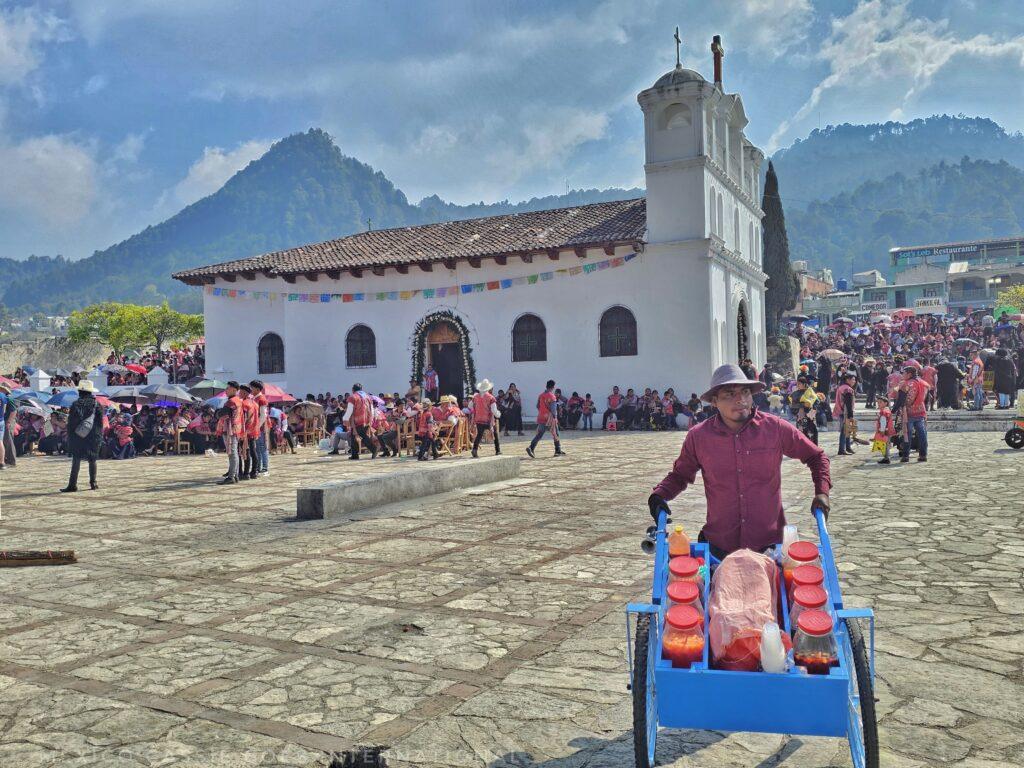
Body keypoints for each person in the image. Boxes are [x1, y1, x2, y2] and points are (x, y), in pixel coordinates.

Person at [648, 364, 831, 560]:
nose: (740, 400)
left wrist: (822, 492)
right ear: (714, 401)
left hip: (768, 546)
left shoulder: (775, 429)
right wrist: (659, 495)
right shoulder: (699, 437)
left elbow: (816, 456)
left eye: (745, 392)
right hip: (718, 548)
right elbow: (680, 475)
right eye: (729, 394)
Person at [61, 380, 104, 492]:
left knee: (76, 459)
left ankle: (72, 485)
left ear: (80, 391)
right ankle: (93, 483)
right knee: (92, 459)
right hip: (93, 436)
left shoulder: (76, 404)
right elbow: (100, 423)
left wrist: (71, 435)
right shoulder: (97, 404)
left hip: (78, 436)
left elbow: (72, 423)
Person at [895, 366, 929, 463]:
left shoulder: (908, 384)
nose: (902, 375)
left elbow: (906, 399)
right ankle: (923, 455)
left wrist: (897, 409)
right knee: (922, 434)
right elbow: (927, 397)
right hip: (921, 410)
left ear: (909, 374)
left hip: (909, 413)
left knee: (907, 434)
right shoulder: (923, 382)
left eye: (904, 373)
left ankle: (906, 456)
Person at [527, 379, 565, 458]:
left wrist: (543, 411)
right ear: (553, 387)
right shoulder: (552, 396)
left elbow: (537, 406)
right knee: (556, 433)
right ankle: (557, 450)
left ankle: (531, 447)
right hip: (550, 417)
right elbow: (554, 410)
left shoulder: (541, 395)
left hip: (541, 416)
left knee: (539, 434)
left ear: (546, 386)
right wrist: (555, 417)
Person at [218, 381, 244, 484]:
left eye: (228, 388)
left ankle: (231, 476)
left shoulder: (230, 402)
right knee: (234, 453)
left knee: (232, 453)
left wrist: (218, 413)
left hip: (230, 430)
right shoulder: (239, 401)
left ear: (234, 389)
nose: (226, 390)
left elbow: (222, 414)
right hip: (237, 429)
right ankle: (235, 475)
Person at [344, 383, 376, 459]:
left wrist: (345, 419)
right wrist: (372, 418)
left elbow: (349, 410)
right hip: (367, 419)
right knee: (356, 435)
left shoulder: (353, 397)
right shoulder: (368, 396)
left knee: (360, 435)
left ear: (353, 389)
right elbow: (372, 408)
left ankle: (373, 449)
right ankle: (355, 455)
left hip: (358, 419)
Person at [471, 379, 501, 458]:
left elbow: (470, 406)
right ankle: (498, 450)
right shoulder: (491, 398)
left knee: (479, 434)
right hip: (488, 420)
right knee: (495, 433)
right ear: (488, 388)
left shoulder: (475, 397)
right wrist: (498, 415)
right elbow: (494, 410)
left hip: (478, 419)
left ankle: (474, 449)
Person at [833, 372, 857, 456]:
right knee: (844, 431)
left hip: (840, 411)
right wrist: (850, 415)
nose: (854, 381)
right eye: (853, 379)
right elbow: (848, 404)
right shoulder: (848, 389)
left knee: (848, 431)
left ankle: (848, 447)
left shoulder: (841, 387)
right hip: (845, 413)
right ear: (847, 379)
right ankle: (841, 449)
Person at [251, 380, 271, 476]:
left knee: (262, 447)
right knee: (257, 448)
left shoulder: (261, 399)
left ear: (257, 389)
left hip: (261, 426)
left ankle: (265, 467)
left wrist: (257, 427)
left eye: (252, 388)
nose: (251, 389)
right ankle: (258, 466)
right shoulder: (254, 398)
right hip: (256, 426)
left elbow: (263, 415)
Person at [873, 393, 895, 465]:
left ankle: (886, 458)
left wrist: (882, 430)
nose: (878, 404)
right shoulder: (887, 410)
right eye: (877, 402)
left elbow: (883, 422)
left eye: (880, 402)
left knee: (884, 444)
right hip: (888, 430)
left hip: (885, 431)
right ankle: (886, 457)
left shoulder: (884, 412)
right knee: (886, 444)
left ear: (886, 403)